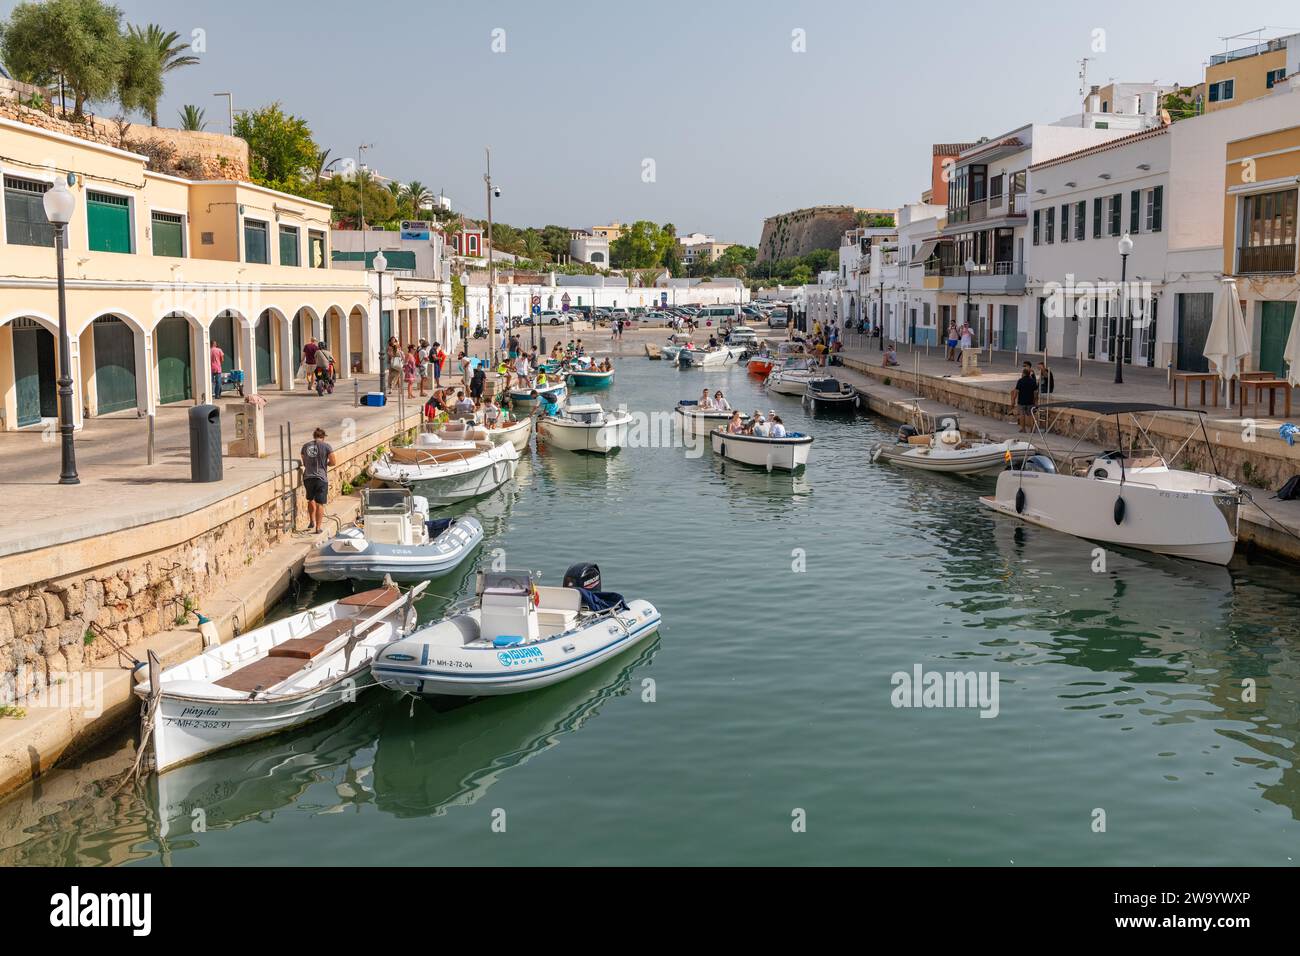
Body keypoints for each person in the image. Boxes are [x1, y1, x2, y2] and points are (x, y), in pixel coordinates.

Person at [301, 427, 336, 534]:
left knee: (310, 499)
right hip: (321, 478)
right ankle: (318, 527)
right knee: (320, 503)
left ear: (314, 436)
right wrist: (326, 464)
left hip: (308, 477)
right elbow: (333, 462)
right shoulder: (326, 446)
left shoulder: (305, 446)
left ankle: (311, 521)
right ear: (323, 437)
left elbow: (304, 461)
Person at [1011, 365, 1038, 433]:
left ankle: (1023, 429)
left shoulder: (1020, 381)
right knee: (1032, 415)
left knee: (1022, 415)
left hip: (1021, 401)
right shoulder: (1033, 381)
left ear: (1023, 373)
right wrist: (1035, 401)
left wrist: (1013, 400)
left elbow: (1016, 391)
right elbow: (1035, 392)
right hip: (1030, 401)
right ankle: (1032, 429)